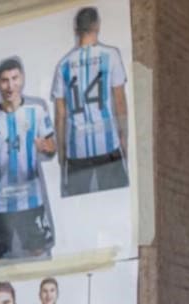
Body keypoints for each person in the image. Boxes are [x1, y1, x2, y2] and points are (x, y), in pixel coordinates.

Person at [0, 58, 56, 267]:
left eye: (14, 78)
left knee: (38, 251)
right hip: (0, 202)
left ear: (22, 79)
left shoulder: (37, 111)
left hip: (31, 198)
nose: (10, 86)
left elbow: (52, 147)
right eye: (4, 81)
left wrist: (47, 148)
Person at [52, 6, 130, 197]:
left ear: (75, 30)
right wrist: (124, 138)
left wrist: (62, 152)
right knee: (115, 204)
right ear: (97, 26)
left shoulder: (63, 65)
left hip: (76, 150)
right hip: (108, 146)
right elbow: (119, 101)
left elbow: (60, 115)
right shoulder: (111, 55)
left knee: (79, 210)